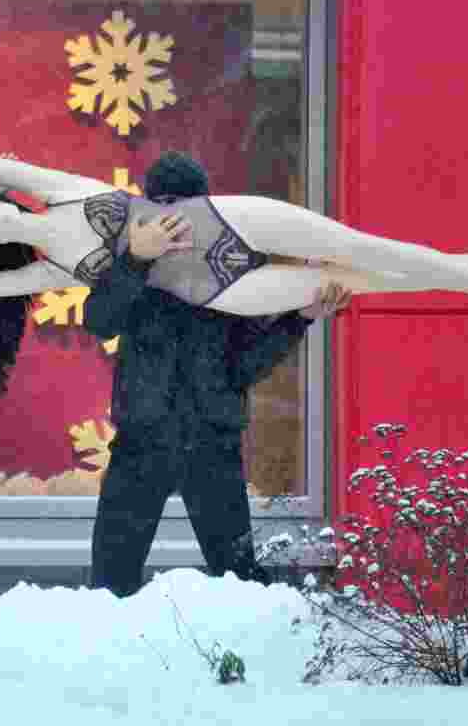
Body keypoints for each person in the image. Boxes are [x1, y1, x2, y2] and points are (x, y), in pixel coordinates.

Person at [83, 152, 350, 596]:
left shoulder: (229, 269)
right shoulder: (130, 261)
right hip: (142, 438)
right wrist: (136, 259)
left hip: (211, 440)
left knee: (240, 579)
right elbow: (99, 320)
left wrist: (300, 317)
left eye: (187, 208)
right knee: (110, 580)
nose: (176, 220)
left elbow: (245, 364)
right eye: (164, 206)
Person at [0, 152, 468, 323]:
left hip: (224, 218)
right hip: (215, 288)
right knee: (367, 282)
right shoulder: (49, 270)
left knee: (369, 248)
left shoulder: (58, 188)